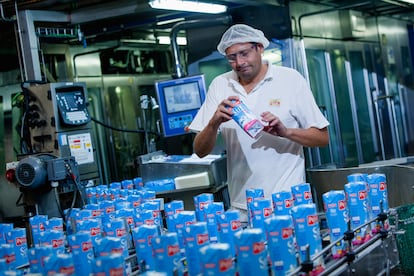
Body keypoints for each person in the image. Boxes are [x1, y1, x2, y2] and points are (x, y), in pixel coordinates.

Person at [188, 24, 329, 219]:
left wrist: (286, 132)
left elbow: (322, 138)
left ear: (260, 48)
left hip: (288, 202)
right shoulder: (220, 85)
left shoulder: (290, 79)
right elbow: (200, 151)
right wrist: (214, 122)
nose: (239, 62)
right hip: (242, 206)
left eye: (244, 53)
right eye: (232, 57)